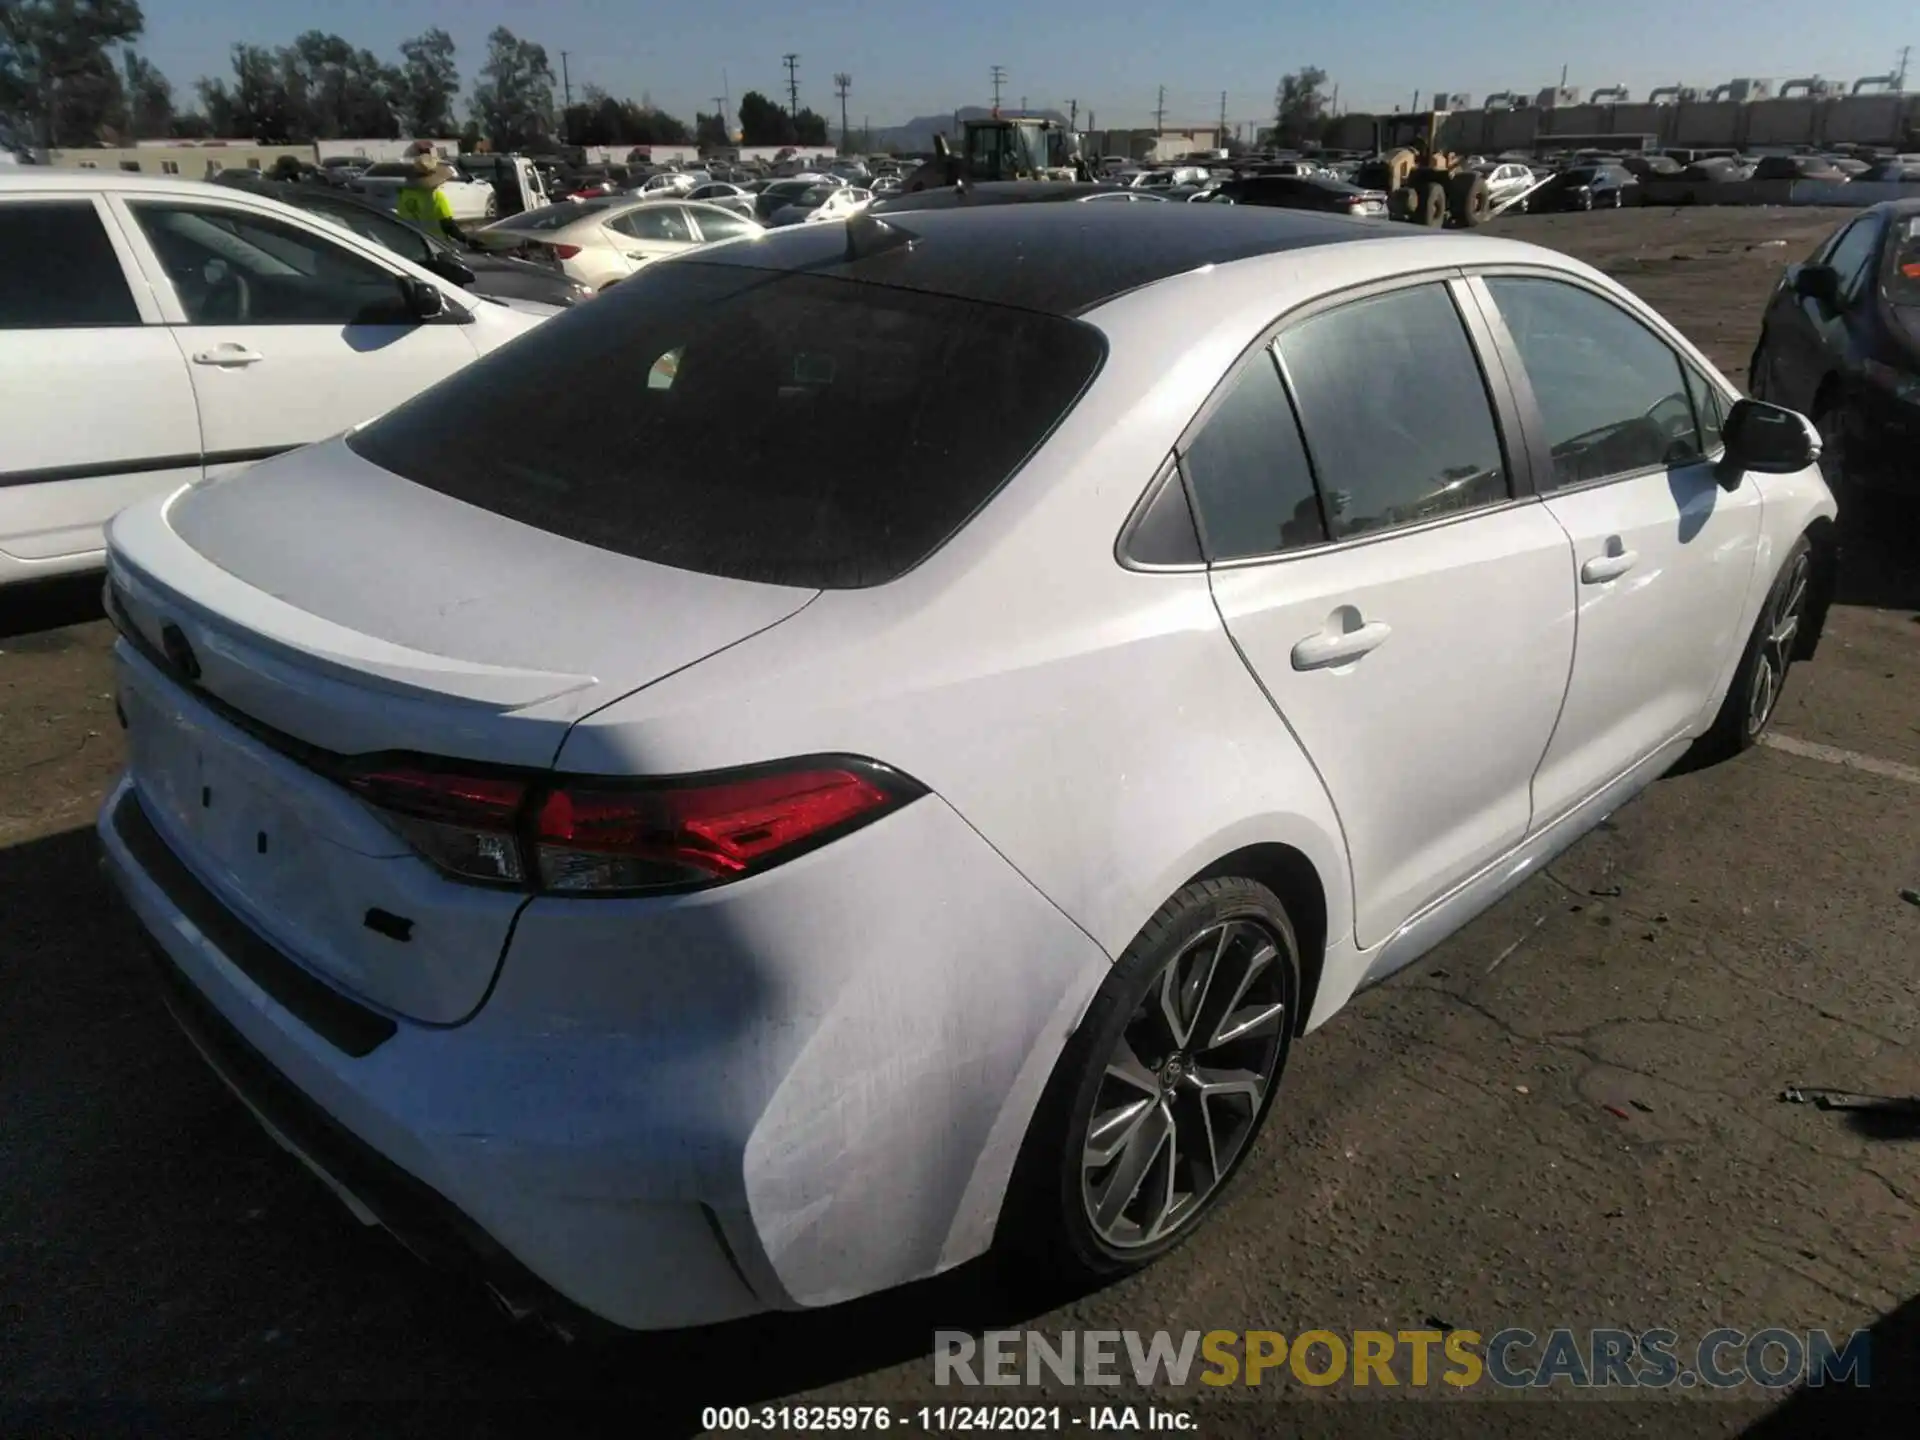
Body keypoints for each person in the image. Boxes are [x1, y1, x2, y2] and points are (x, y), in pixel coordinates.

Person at [395, 151, 467, 245]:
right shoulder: (436, 196)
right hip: (435, 243)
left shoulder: (404, 193)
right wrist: (465, 239)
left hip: (412, 242)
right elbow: (448, 225)